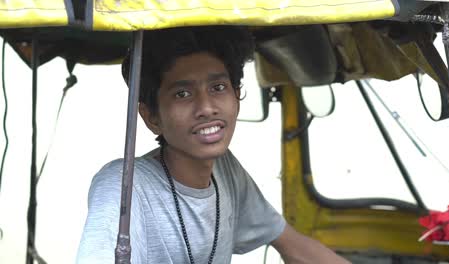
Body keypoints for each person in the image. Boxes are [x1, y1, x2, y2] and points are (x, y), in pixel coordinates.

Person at [77, 26, 350, 264]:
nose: (206, 108)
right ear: (151, 117)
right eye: (183, 94)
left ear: (237, 96)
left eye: (218, 88)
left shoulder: (225, 169)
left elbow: (296, 250)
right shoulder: (124, 183)